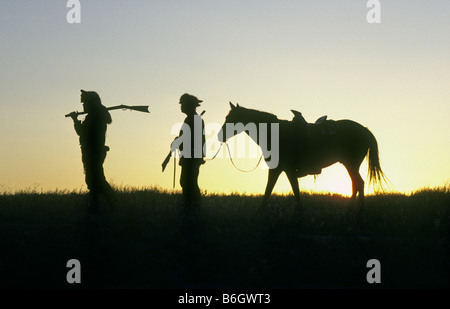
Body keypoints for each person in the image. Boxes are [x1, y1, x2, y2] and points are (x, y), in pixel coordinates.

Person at [69, 90, 115, 210]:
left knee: (96, 180)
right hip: (92, 152)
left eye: (85, 103)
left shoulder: (95, 118)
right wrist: (76, 120)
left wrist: (75, 120)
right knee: (93, 181)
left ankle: (114, 204)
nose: (84, 106)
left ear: (92, 104)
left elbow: (83, 133)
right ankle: (97, 207)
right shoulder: (94, 116)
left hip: (94, 152)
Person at [163, 93, 206, 207]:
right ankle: (192, 207)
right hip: (189, 156)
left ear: (189, 105)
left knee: (189, 183)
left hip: (191, 157)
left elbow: (196, 140)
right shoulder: (191, 119)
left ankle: (192, 208)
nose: (181, 106)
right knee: (186, 182)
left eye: (182, 104)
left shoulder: (193, 119)